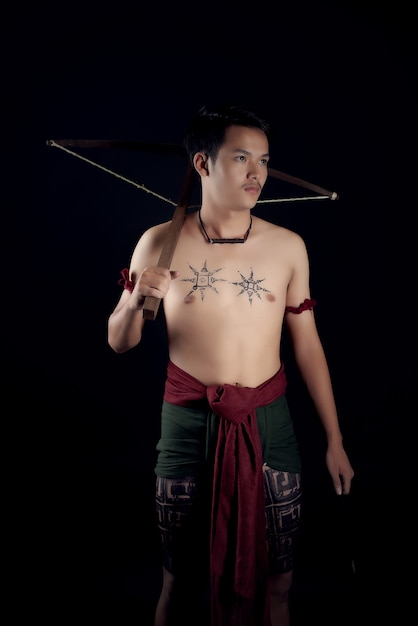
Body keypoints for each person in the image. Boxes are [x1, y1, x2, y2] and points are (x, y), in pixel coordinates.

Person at [107, 104, 354, 626]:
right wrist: (134, 301)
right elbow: (119, 342)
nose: (256, 173)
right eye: (241, 158)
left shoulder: (288, 247)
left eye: (262, 160)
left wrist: (334, 439)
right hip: (188, 425)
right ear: (202, 164)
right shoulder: (159, 241)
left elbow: (306, 345)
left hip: (270, 426)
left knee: (279, 582)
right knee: (178, 580)